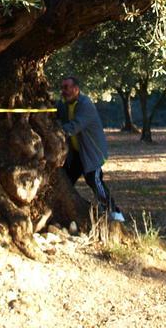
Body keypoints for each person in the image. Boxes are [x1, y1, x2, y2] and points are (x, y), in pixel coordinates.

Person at [56, 75, 125, 223]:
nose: (63, 91)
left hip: (91, 152)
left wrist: (56, 132)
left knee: (94, 180)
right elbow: (54, 113)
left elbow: (75, 125)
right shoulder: (64, 104)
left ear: (76, 89)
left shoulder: (85, 104)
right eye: (62, 88)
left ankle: (114, 212)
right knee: (66, 180)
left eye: (66, 87)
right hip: (76, 153)